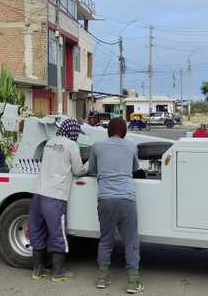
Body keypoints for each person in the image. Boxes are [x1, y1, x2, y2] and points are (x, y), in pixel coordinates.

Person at [88, 118, 143, 294]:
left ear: (108, 130)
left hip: (105, 197)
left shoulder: (97, 146)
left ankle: (102, 278)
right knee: (131, 240)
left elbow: (92, 169)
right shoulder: (131, 145)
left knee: (105, 240)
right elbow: (135, 168)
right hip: (127, 198)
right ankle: (133, 282)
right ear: (125, 131)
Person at [29, 118, 88, 282]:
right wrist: (90, 164)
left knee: (37, 231)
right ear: (73, 131)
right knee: (57, 234)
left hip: (38, 195)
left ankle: (38, 270)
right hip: (55, 197)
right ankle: (58, 272)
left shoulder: (49, 142)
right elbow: (78, 170)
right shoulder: (71, 145)